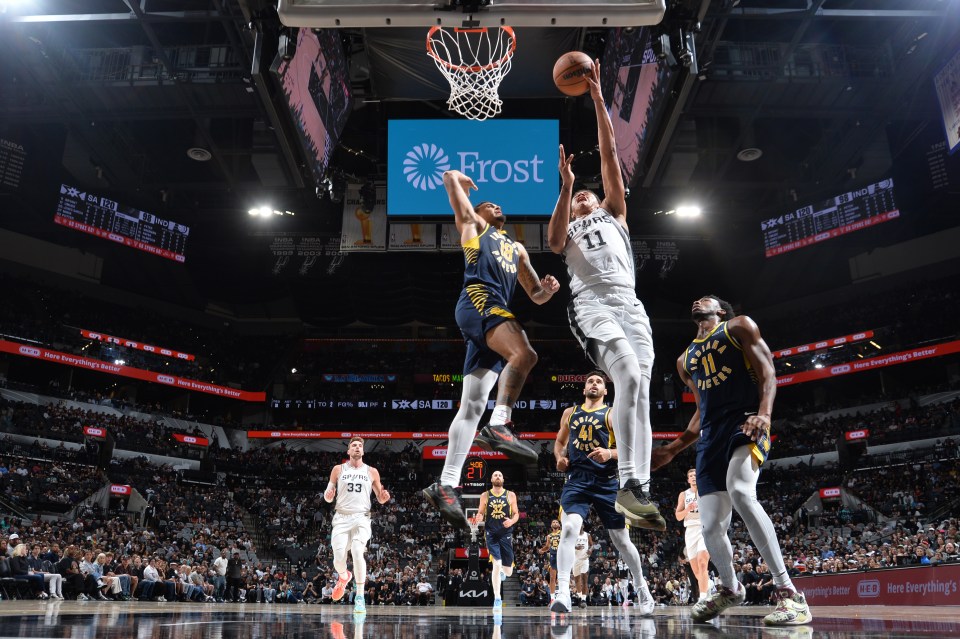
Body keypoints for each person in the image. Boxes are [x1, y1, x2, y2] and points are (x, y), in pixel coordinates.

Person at [546, 60, 663, 532]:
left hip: (629, 302)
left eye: (585, 195)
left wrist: (597, 97)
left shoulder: (614, 211)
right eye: (579, 197)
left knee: (641, 391)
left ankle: (638, 487)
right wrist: (565, 187)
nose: (583, 199)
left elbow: (611, 154)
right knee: (628, 375)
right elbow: (553, 243)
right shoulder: (568, 226)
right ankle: (629, 484)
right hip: (590, 302)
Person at [651, 295, 812, 626]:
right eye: (694, 298)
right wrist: (673, 448)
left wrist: (765, 415)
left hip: (745, 421)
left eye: (705, 298)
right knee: (710, 525)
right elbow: (701, 410)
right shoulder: (684, 361)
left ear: (720, 310)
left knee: (740, 490)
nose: (697, 299)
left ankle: (789, 594)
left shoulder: (738, 326)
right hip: (710, 438)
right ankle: (728, 586)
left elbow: (767, 370)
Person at [424, 169, 560, 529]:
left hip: (493, 315)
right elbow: (451, 185)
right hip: (479, 302)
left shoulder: (515, 248)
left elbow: (536, 296)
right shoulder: (474, 229)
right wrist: (457, 179)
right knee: (525, 354)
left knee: (470, 407)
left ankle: (446, 484)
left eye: (498, 204)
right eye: (487, 204)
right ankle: (500, 424)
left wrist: (548, 289)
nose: (495, 205)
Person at [550, 372, 655, 615]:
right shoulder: (570, 413)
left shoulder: (612, 414)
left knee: (621, 540)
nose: (594, 384)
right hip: (577, 481)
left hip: (607, 482)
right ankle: (564, 592)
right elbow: (558, 443)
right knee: (568, 528)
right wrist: (559, 458)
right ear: (584, 388)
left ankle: (641, 587)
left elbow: (632, 449)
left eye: (599, 382)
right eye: (590, 381)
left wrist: (610, 453)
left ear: (606, 391)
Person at [324, 436, 391, 614]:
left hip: (362, 517)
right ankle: (344, 576)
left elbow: (380, 496)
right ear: (348, 451)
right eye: (353, 445)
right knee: (338, 559)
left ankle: (360, 597)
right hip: (341, 517)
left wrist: (383, 498)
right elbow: (327, 493)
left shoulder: (372, 471)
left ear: (363, 451)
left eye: (360, 446)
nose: (357, 448)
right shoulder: (338, 469)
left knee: (356, 550)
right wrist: (328, 496)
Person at [471, 470, 519, 611]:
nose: (498, 476)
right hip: (491, 533)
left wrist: (511, 521)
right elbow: (480, 512)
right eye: (495, 475)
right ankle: (497, 598)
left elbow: (516, 514)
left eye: (500, 475)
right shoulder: (485, 495)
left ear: (503, 479)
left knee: (509, 571)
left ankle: (504, 572)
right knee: (496, 564)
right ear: (491, 479)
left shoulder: (510, 495)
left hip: (506, 533)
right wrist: (479, 517)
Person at [677, 468, 711, 603]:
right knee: (697, 572)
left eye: (695, 475)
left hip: (704, 528)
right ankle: (708, 585)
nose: (693, 477)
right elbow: (678, 516)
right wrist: (688, 509)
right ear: (688, 480)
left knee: (703, 563)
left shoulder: (706, 490)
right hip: (690, 530)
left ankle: (703, 600)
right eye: (690, 475)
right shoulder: (684, 495)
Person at [539, 519, 561, 602]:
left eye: (556, 522)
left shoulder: (562, 533)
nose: (555, 523)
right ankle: (552, 598)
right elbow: (547, 547)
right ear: (551, 525)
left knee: (562, 577)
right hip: (553, 555)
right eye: (553, 522)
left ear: (559, 525)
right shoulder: (549, 536)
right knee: (552, 577)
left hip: (562, 555)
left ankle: (563, 595)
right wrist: (542, 550)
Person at [572, 524, 591, 606]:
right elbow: (569, 546)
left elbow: (592, 545)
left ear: (583, 525)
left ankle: (583, 599)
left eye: (581, 524)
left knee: (584, 579)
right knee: (576, 580)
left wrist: (590, 549)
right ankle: (579, 596)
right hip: (575, 559)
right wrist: (575, 547)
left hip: (584, 559)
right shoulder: (573, 535)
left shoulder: (587, 535)